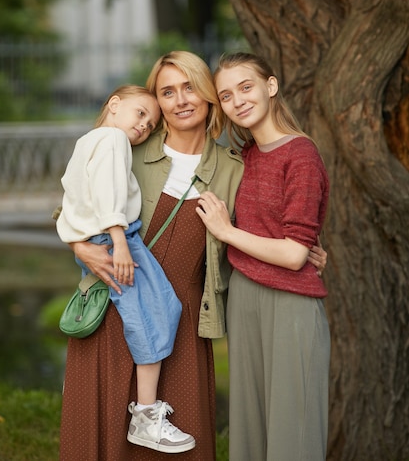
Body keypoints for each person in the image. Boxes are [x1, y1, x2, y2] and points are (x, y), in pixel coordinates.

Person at [58, 51, 327, 461]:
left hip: (183, 320)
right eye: (167, 92)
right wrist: (80, 246)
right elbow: (74, 201)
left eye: (190, 88)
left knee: (180, 446)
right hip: (115, 307)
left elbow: (272, 224)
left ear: (208, 97)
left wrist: (308, 251)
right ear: (158, 102)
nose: (181, 100)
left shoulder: (236, 167)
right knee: (103, 438)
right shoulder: (129, 148)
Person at [196, 52, 331, 461]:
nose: (237, 100)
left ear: (270, 87)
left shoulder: (300, 155)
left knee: (294, 434)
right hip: (245, 298)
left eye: (246, 87)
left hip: (290, 304)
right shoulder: (248, 157)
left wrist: (227, 232)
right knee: (249, 435)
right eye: (226, 95)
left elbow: (293, 254)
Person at [56, 84, 195, 454]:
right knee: (154, 314)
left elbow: (70, 198)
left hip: (100, 236)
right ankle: (147, 416)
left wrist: (76, 240)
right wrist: (118, 240)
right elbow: (108, 190)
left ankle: (146, 414)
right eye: (140, 114)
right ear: (114, 105)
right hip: (116, 238)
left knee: (159, 309)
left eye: (150, 124)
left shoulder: (88, 141)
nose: (144, 126)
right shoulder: (113, 140)